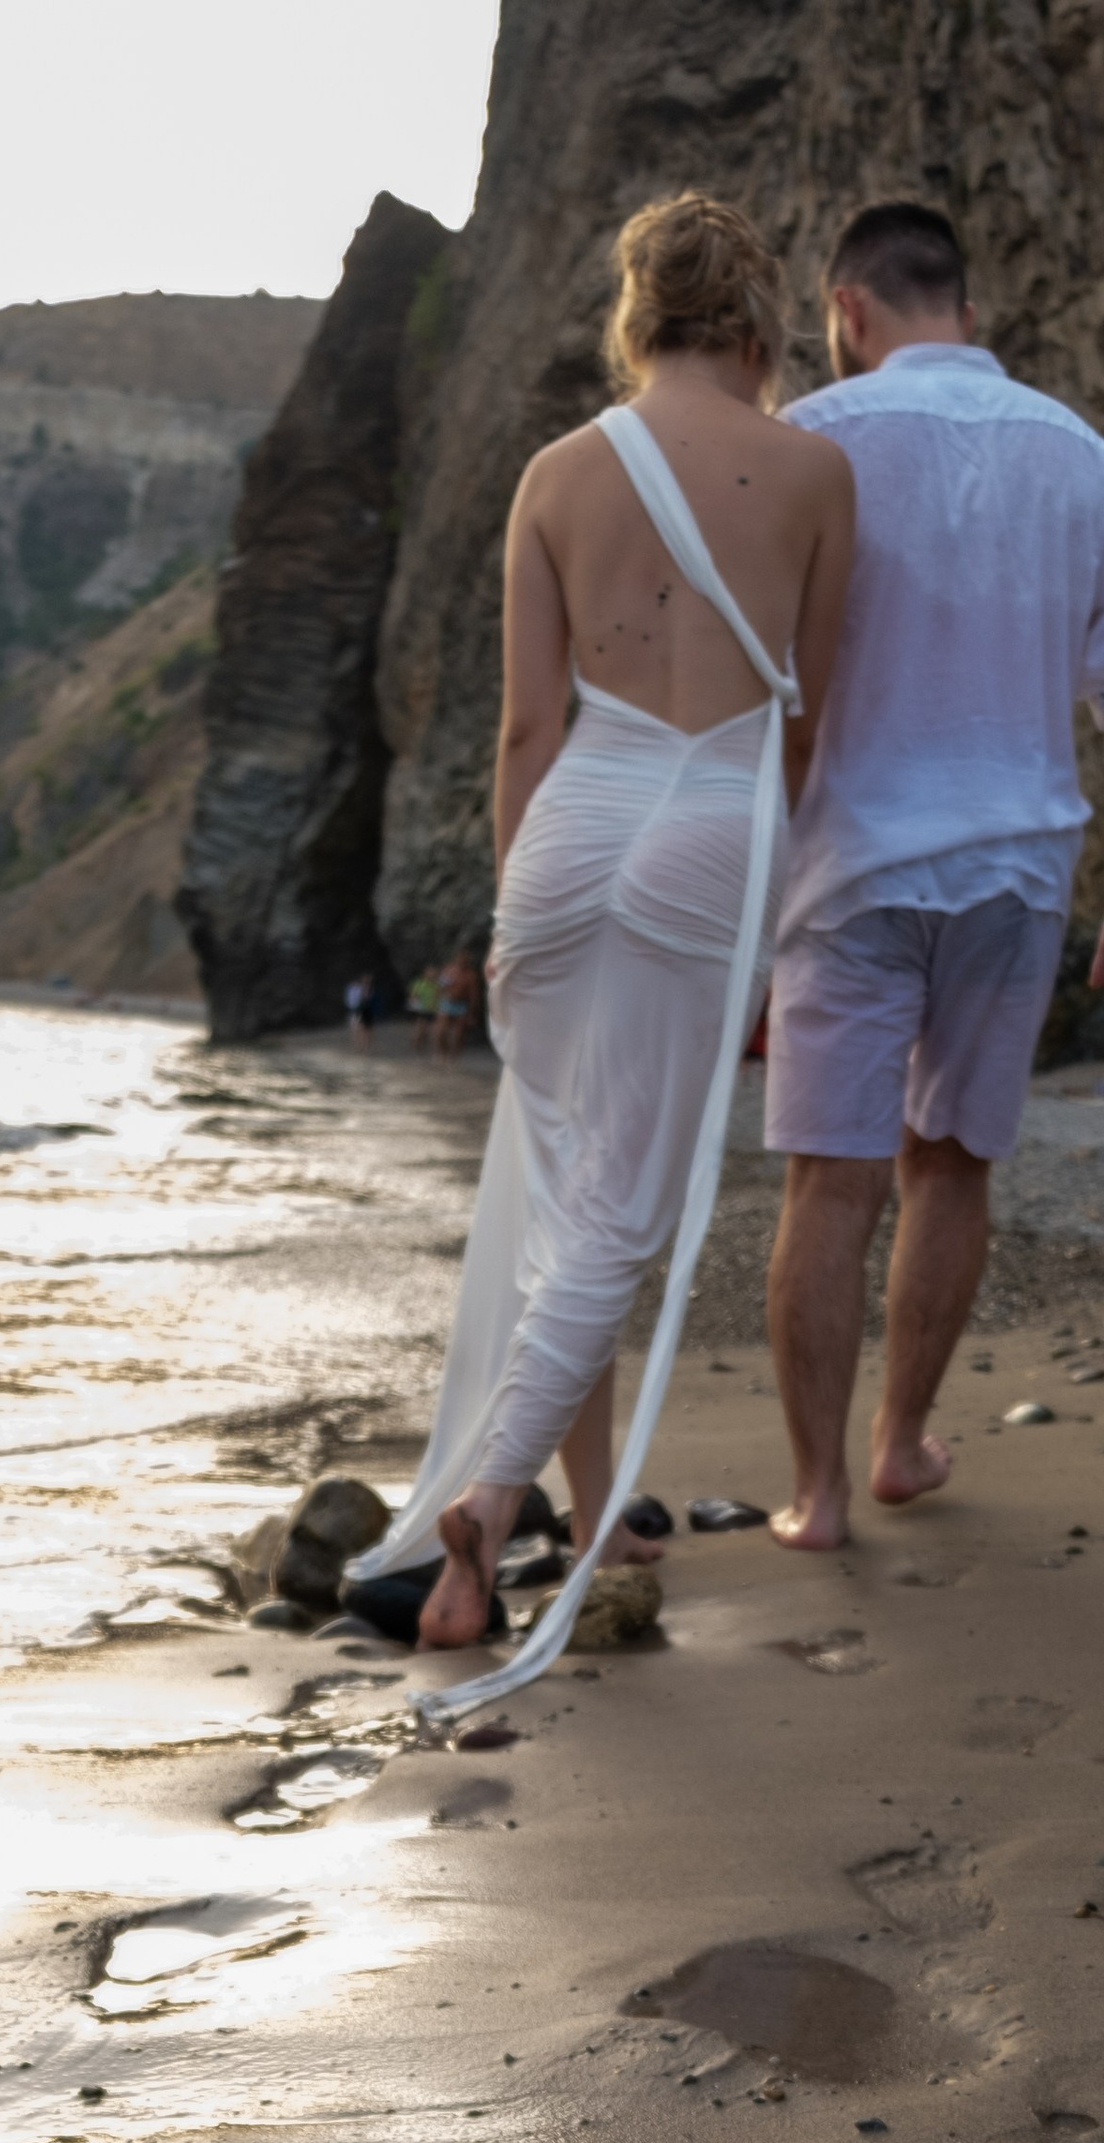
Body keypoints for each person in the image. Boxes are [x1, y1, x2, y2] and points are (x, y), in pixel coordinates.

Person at [345, 192, 854, 1692]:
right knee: (620, 1213)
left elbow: (522, 727)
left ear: (634, 325)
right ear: (757, 328)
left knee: (573, 1189)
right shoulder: (815, 472)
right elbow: (805, 729)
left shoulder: (556, 476)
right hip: (710, 830)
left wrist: (520, 911)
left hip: (568, 837)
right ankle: (490, 1506)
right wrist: (768, 899)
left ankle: (587, 1520)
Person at [761, 199, 1104, 1549]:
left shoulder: (808, 445)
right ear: (969, 309)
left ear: (846, 311)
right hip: (1020, 869)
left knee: (831, 1181)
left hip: (850, 874)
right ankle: (898, 1447)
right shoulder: (1085, 460)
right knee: (949, 1168)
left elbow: (759, 688)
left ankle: (818, 1497)